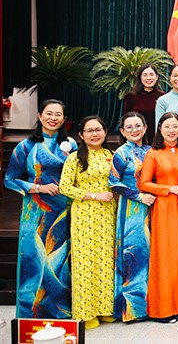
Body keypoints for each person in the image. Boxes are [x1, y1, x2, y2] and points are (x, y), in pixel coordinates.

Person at [4, 99, 77, 318]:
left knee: (60, 259)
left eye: (58, 114)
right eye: (49, 113)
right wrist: (38, 187)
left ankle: (61, 311)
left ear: (64, 119)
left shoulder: (71, 145)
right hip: (35, 211)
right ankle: (31, 313)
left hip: (63, 210)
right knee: (33, 258)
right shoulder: (26, 146)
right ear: (39, 116)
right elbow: (9, 179)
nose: (53, 118)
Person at [59, 116, 115, 329]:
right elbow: (65, 187)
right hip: (84, 214)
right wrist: (93, 195)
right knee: (85, 262)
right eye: (89, 131)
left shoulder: (110, 155)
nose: (95, 134)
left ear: (105, 132)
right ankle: (85, 312)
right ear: (81, 135)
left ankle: (104, 309)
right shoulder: (74, 158)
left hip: (107, 214)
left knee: (105, 260)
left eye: (98, 129)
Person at [138, 113, 178, 323]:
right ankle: (163, 309)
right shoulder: (153, 153)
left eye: (175, 126)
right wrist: (170, 189)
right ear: (160, 129)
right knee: (165, 255)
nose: (171, 130)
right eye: (167, 126)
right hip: (164, 208)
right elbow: (144, 183)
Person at [109, 112, 153, 322]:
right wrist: (138, 196)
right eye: (129, 127)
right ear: (122, 131)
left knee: (149, 254)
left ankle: (151, 305)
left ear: (145, 127)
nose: (134, 130)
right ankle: (132, 309)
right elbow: (113, 182)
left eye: (138, 126)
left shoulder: (151, 150)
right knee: (133, 253)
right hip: (131, 210)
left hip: (152, 207)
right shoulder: (121, 152)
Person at [123, 64, 164, 143]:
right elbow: (126, 121)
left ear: (157, 77)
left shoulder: (163, 97)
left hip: (158, 139)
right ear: (140, 77)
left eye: (151, 74)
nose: (148, 78)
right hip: (137, 139)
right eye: (145, 75)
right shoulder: (131, 97)